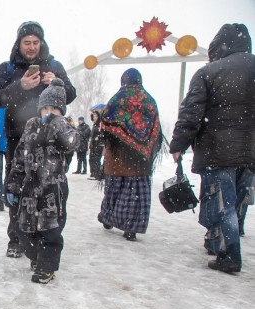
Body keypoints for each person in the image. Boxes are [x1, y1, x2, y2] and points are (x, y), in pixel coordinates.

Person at [169, 23, 255, 274]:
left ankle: (228, 255)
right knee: (238, 200)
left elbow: (191, 113)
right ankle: (220, 240)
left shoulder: (209, 72)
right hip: (250, 150)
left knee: (221, 203)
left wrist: (178, 144)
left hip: (218, 150)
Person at [0, 21, 76, 259]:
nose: (31, 47)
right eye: (26, 42)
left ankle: (44, 239)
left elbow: (71, 94)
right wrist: (20, 86)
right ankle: (16, 238)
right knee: (17, 188)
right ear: (19, 43)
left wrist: (55, 82)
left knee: (48, 191)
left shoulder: (54, 66)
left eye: (36, 42)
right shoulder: (7, 68)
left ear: (42, 43)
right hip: (18, 140)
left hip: (51, 142)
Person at [4, 78, 79, 284]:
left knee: (51, 230)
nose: (49, 112)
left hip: (53, 189)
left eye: (55, 109)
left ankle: (46, 267)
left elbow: (73, 143)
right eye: (45, 107)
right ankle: (36, 256)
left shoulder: (64, 128)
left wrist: (59, 123)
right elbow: (19, 158)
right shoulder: (31, 126)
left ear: (62, 111)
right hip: (29, 188)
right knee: (25, 228)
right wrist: (12, 185)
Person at [97, 68, 163, 242]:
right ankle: (131, 228)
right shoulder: (149, 101)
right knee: (135, 195)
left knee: (114, 191)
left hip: (117, 156)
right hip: (140, 160)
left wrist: (119, 139)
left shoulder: (117, 99)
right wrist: (142, 146)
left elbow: (104, 124)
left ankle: (107, 217)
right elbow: (156, 131)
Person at [88, 107, 105, 180]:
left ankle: (97, 174)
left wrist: (99, 136)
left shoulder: (100, 124)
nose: (94, 117)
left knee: (96, 159)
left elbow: (103, 133)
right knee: (91, 159)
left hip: (98, 144)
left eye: (96, 116)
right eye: (93, 116)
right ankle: (93, 173)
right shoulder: (94, 125)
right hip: (93, 144)